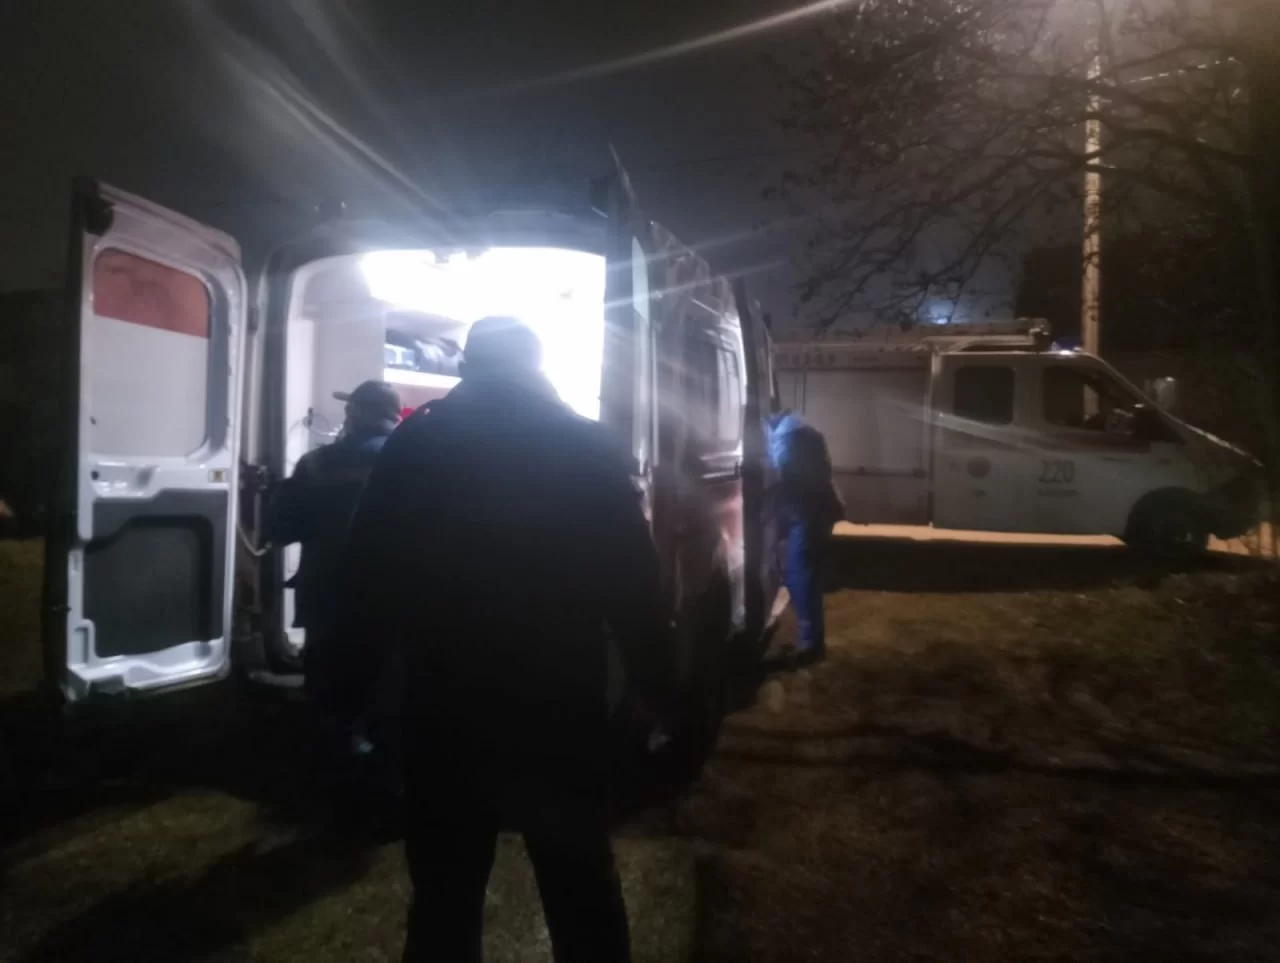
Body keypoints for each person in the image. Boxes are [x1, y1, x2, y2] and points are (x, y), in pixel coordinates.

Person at [334, 316, 674, 963]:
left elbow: (367, 575)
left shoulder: (417, 443)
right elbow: (634, 580)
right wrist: (659, 689)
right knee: (580, 887)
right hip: (557, 705)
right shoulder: (583, 443)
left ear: (467, 367)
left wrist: (344, 691)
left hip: (445, 705)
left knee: (445, 897)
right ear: (537, 367)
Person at [269, 379, 402, 825]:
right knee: (388, 696)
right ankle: (385, 797)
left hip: (328, 598)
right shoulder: (414, 461)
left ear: (357, 414)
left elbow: (281, 528)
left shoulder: (317, 464)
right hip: (391, 603)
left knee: (331, 697)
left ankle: (334, 792)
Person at [768, 409, 843, 665]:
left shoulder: (788, 437)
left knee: (801, 576)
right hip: (814, 513)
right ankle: (811, 640)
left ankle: (811, 645)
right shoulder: (801, 431)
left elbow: (782, 475)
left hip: (808, 515)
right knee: (803, 576)